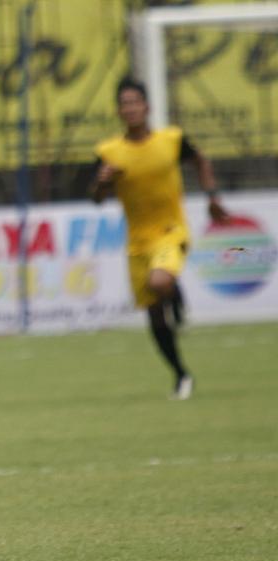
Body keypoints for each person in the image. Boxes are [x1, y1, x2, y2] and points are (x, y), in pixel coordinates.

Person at [91, 77, 227, 401]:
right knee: (154, 316)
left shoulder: (172, 140)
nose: (131, 108)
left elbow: (201, 160)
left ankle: (176, 297)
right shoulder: (110, 152)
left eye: (135, 101)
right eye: (125, 103)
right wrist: (101, 181)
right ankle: (181, 374)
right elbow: (96, 198)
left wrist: (211, 196)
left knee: (160, 281)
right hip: (137, 242)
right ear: (119, 111)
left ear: (147, 106)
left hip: (171, 231)